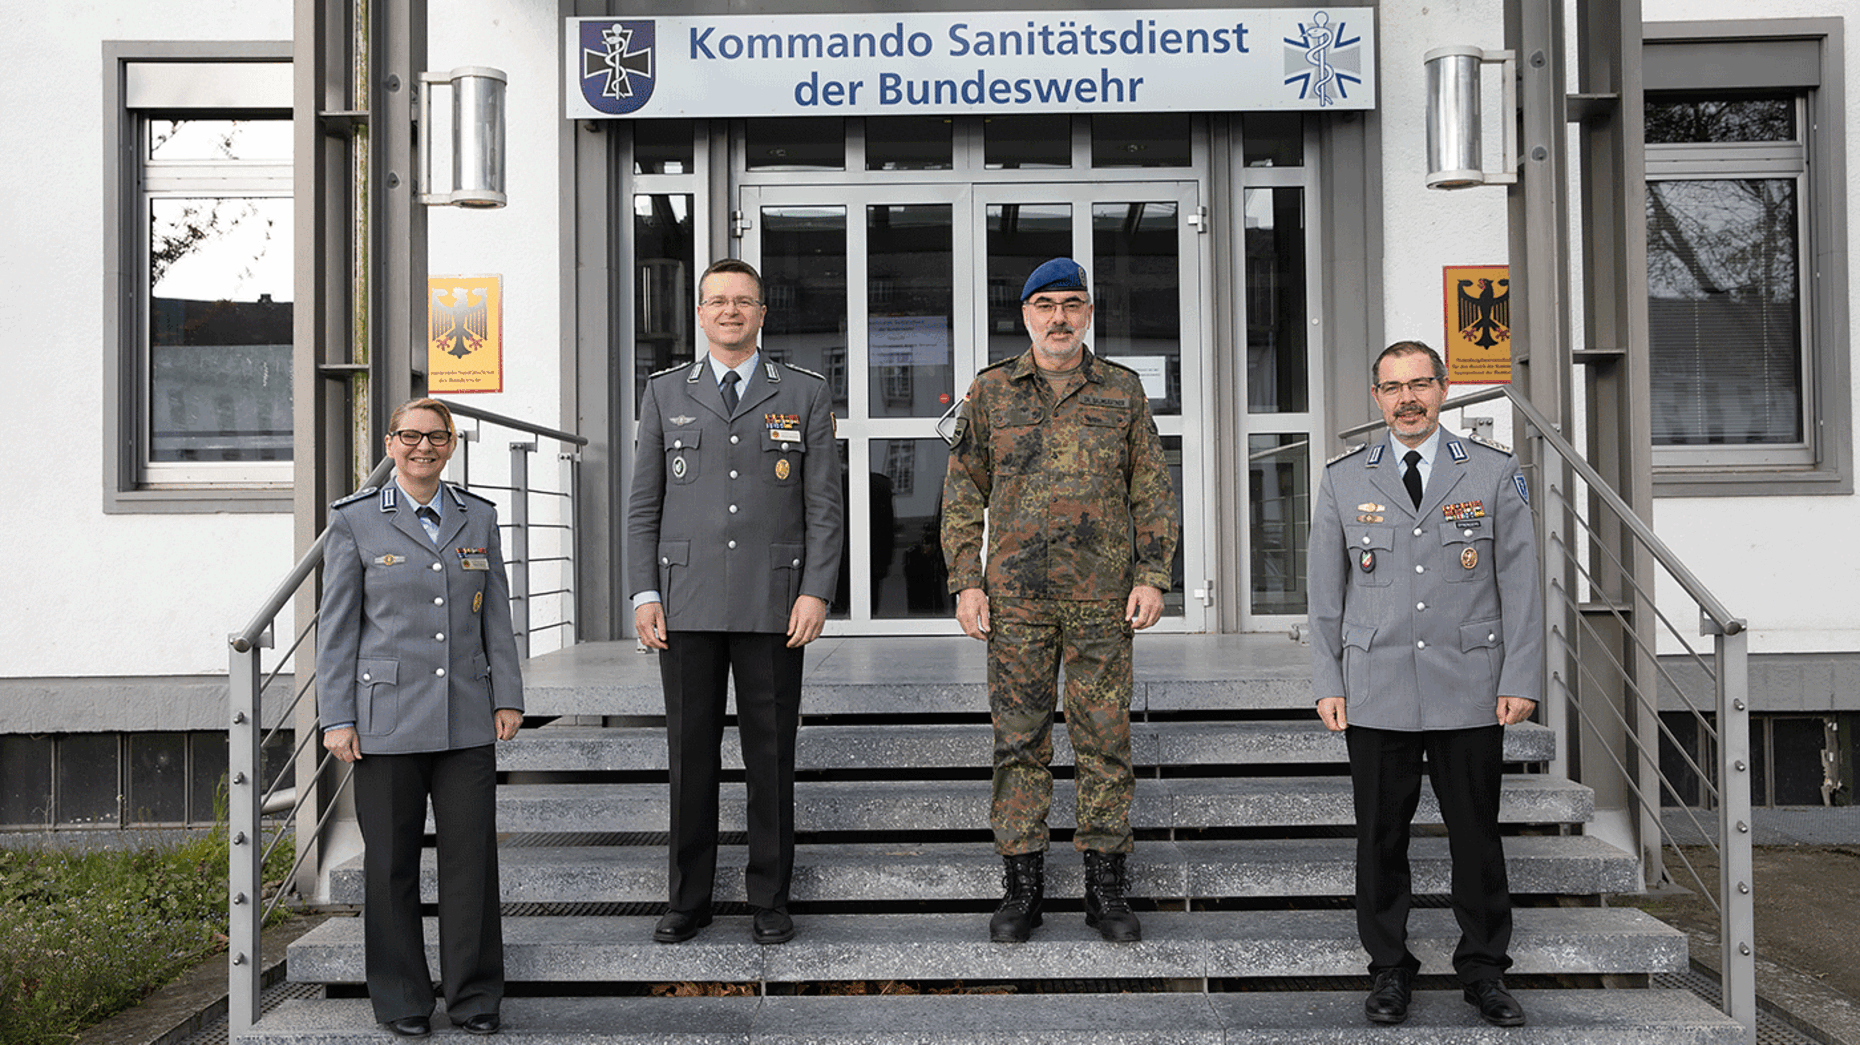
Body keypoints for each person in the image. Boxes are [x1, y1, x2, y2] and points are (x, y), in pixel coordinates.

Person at [941, 257, 1179, 944]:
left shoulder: (1122, 392)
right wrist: (967, 579)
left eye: (1073, 304)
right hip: (1015, 599)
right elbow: (963, 494)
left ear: (1089, 314)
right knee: (1019, 740)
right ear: (1025, 316)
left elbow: (1151, 490)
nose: (1059, 317)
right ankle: (1023, 886)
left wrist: (1151, 573)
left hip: (1103, 598)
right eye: (1045, 304)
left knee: (1105, 739)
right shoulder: (990, 392)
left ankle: (1107, 887)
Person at [1307, 340, 1544, 1028]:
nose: (1406, 398)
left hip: (1470, 681)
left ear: (1443, 389)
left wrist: (1520, 674)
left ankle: (1484, 969)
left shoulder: (1494, 473)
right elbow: (1326, 595)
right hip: (1375, 682)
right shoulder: (1345, 479)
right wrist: (1329, 678)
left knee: (1476, 835)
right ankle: (1388, 969)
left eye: (1419, 384)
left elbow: (1523, 586)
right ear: (1376, 397)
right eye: (1392, 387)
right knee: (1381, 836)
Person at [626, 258, 845, 947]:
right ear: (699, 313)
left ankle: (770, 898)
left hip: (773, 602)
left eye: (743, 301)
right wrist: (643, 591)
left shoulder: (804, 393)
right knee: (690, 757)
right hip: (685, 601)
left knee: (770, 757)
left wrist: (816, 590)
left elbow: (825, 508)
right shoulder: (665, 394)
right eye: (717, 301)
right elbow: (643, 506)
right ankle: (687, 899)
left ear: (761, 313)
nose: (730, 311)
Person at [318, 396, 525, 1038]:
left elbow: (496, 615)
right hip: (383, 720)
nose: (423, 447)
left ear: (452, 445)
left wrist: (508, 695)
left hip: (465, 715)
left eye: (436, 437)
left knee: (471, 862)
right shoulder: (355, 522)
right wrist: (337, 716)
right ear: (390, 444)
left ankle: (474, 997)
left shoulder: (478, 516)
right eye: (410, 436)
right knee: (389, 866)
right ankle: (403, 998)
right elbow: (336, 629)